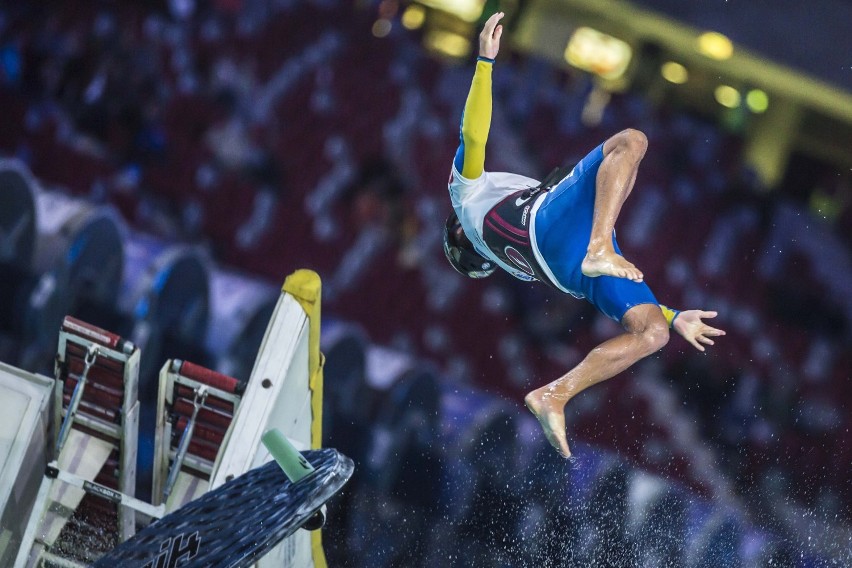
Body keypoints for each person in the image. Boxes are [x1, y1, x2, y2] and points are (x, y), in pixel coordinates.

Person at [444, 12, 726, 458]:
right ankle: (602, 246)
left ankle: (555, 394)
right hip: (553, 235)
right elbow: (472, 136)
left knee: (653, 333)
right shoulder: (464, 196)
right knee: (630, 142)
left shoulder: (497, 251)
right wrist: (484, 62)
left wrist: (674, 316)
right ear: (457, 232)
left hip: (564, 267)